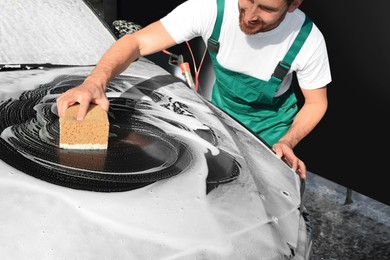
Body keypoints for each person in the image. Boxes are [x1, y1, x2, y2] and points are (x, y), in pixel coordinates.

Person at [56, 0, 331, 180]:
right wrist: (95, 82)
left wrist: (287, 142)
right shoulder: (211, 8)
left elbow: (316, 103)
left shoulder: (308, 40)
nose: (250, 16)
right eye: (247, 0)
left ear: (294, 4)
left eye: (267, 8)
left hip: (271, 132)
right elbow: (136, 43)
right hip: (222, 117)